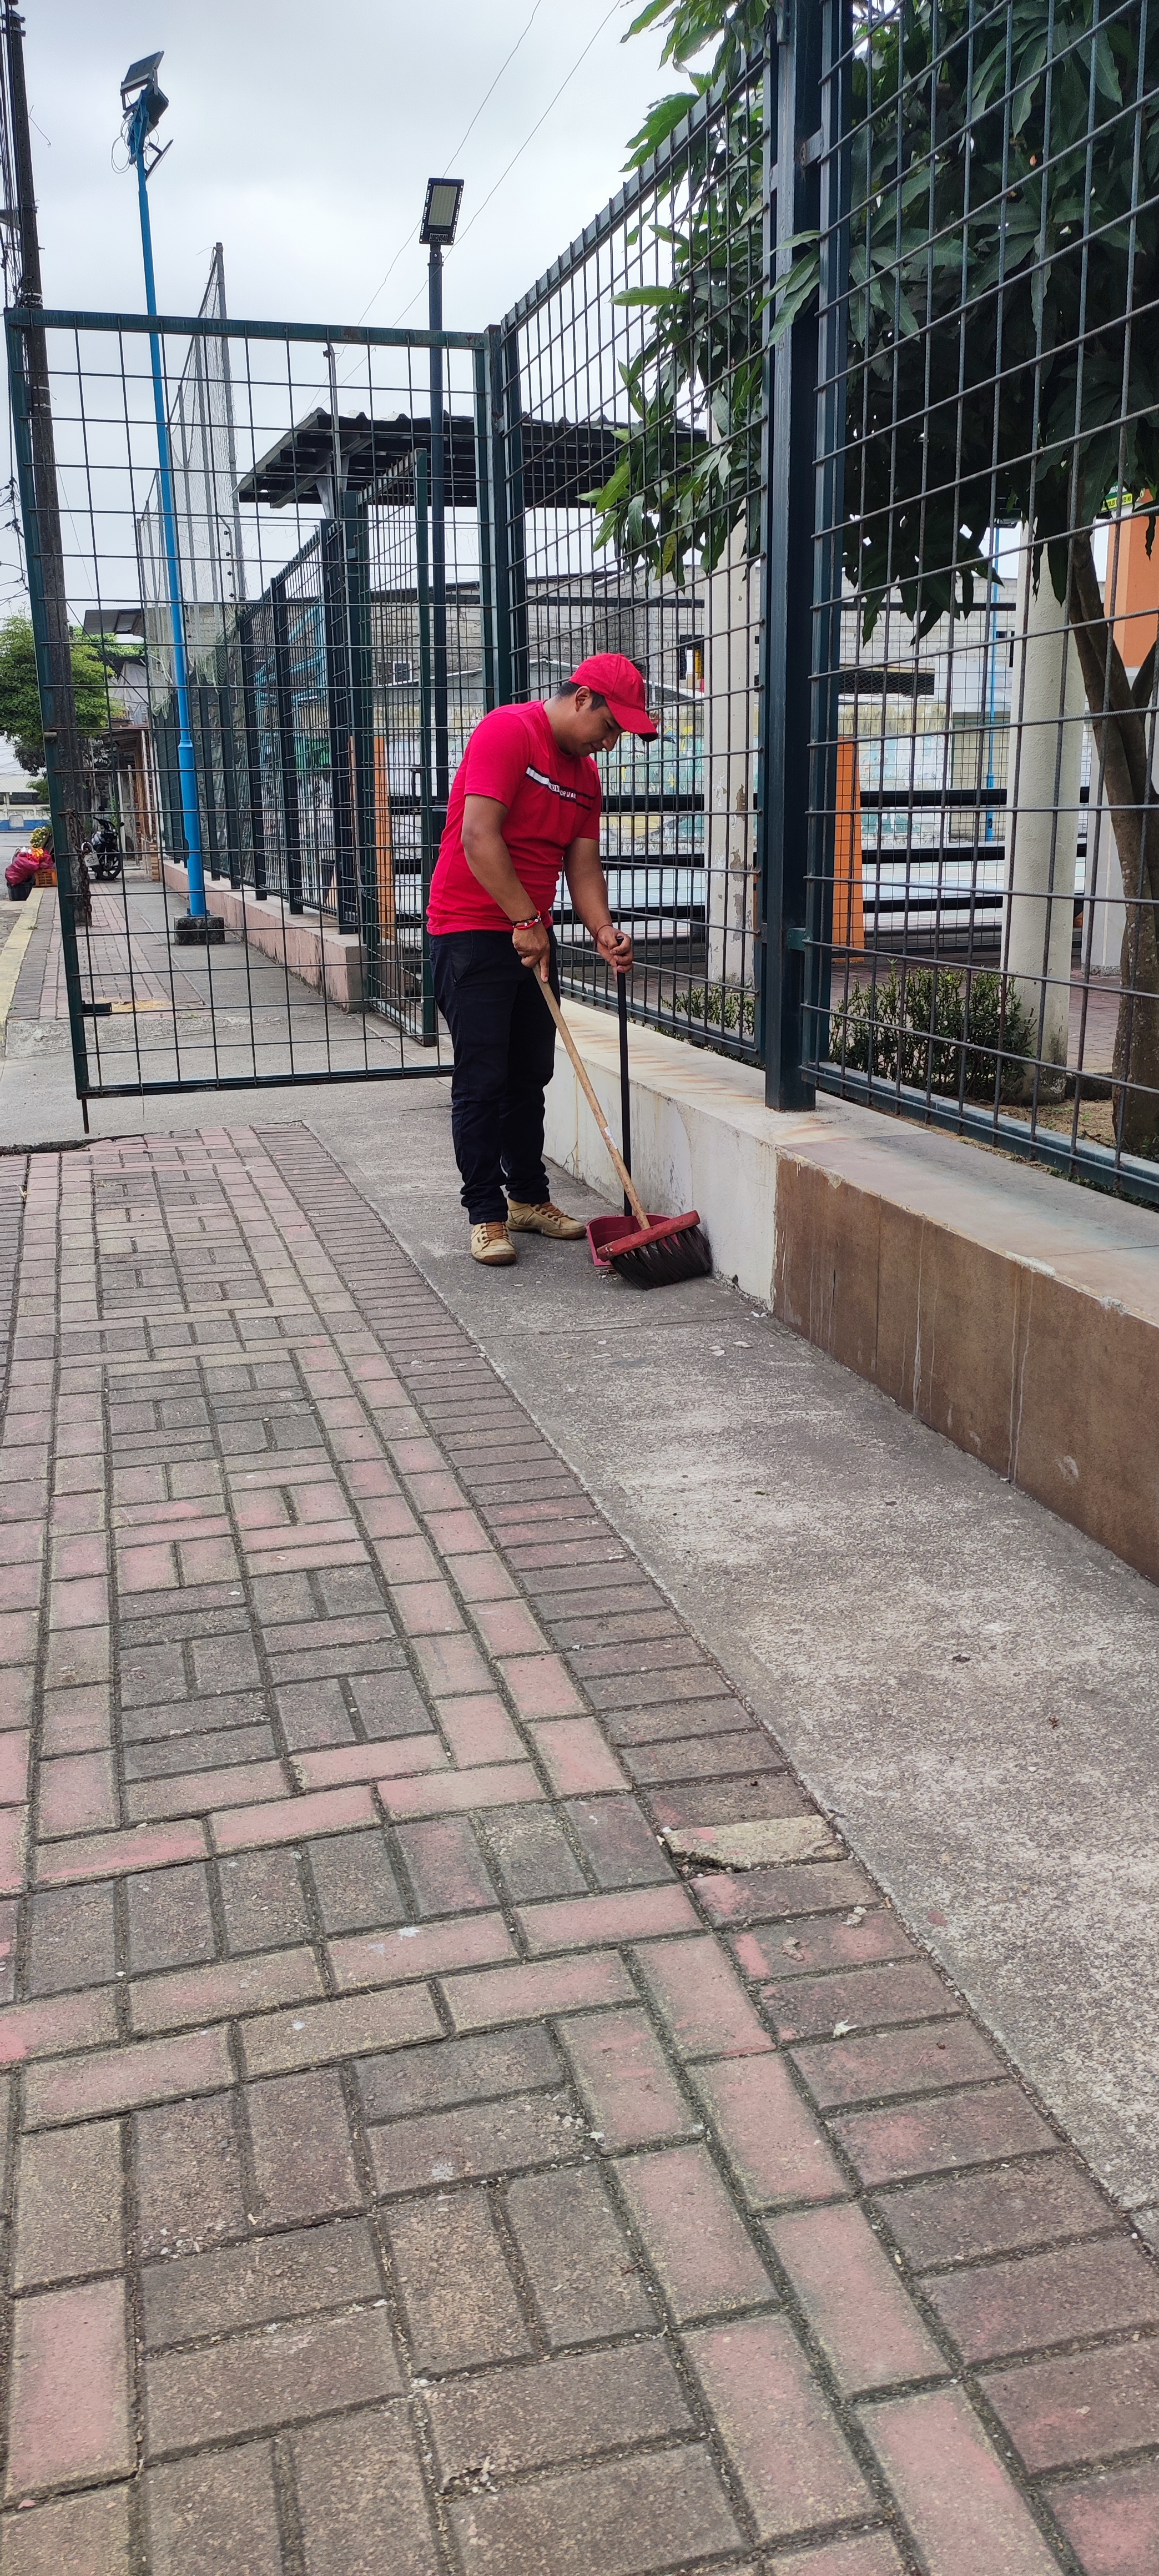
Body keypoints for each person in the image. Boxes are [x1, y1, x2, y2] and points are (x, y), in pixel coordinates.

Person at [427, 652, 657, 1266]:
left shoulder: (585, 776)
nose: (610, 743)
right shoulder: (508, 731)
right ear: (582, 699)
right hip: (471, 929)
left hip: (532, 933)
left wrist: (603, 930)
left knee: (530, 1075)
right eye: (610, 726)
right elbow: (479, 836)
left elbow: (582, 865)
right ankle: (485, 1213)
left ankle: (528, 1197)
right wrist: (525, 920)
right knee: (483, 1078)